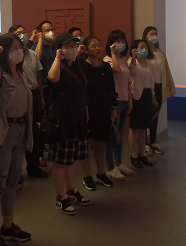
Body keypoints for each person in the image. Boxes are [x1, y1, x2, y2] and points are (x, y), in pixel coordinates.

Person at [0, 34, 34, 246]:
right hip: (4, 131)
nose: (18, 50)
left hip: (21, 129)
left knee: (12, 181)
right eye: (12, 48)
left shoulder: (20, 72)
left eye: (19, 47)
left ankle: (8, 225)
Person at [47, 33, 91, 215]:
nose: (73, 48)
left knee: (70, 160)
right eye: (68, 45)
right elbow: (52, 78)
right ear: (60, 49)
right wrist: (57, 59)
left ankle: (71, 191)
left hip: (77, 120)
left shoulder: (76, 66)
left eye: (74, 45)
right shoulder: (59, 67)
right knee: (60, 162)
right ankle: (61, 197)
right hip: (62, 121)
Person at [8, 25, 48, 179]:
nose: (23, 35)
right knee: (19, 131)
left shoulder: (32, 54)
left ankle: (33, 165)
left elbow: (37, 76)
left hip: (34, 94)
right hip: (19, 96)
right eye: (18, 33)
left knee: (34, 130)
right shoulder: (12, 56)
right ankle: (16, 172)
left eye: (24, 32)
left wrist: (41, 96)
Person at [79, 36, 117, 191]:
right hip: (87, 110)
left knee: (101, 143)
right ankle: (87, 176)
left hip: (104, 109)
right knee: (87, 144)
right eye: (93, 46)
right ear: (86, 49)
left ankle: (101, 173)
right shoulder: (81, 66)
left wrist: (113, 108)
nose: (97, 48)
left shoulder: (106, 67)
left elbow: (111, 88)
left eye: (99, 45)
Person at [103, 30, 134, 180]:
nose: (121, 43)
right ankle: (110, 167)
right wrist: (113, 53)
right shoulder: (108, 59)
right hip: (114, 102)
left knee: (120, 135)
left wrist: (130, 101)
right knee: (112, 135)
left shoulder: (124, 59)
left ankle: (118, 162)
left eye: (123, 40)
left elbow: (128, 82)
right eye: (117, 41)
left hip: (125, 101)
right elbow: (115, 70)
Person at [142, 26, 177, 155]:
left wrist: (170, 89)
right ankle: (144, 143)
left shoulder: (160, 53)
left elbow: (166, 72)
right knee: (146, 115)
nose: (154, 36)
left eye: (155, 34)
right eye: (151, 34)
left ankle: (153, 142)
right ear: (146, 36)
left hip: (159, 87)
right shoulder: (144, 52)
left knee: (155, 115)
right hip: (147, 88)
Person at [128, 40, 156, 169]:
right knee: (135, 127)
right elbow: (132, 73)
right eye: (141, 47)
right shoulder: (131, 62)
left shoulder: (147, 64)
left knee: (143, 128)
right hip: (135, 96)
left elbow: (151, 82)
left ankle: (141, 154)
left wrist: (153, 97)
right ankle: (134, 156)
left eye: (145, 47)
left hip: (146, 95)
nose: (144, 49)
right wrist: (134, 57)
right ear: (134, 49)